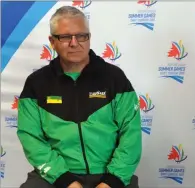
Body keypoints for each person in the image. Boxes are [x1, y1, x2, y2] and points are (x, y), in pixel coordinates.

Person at [17, 6, 142, 188]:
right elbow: (31, 137)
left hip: (109, 173)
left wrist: (113, 180)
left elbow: (131, 133)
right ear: (52, 41)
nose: (74, 43)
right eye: (66, 37)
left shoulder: (114, 78)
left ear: (89, 38)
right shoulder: (36, 83)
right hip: (57, 175)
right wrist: (64, 180)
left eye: (81, 36)